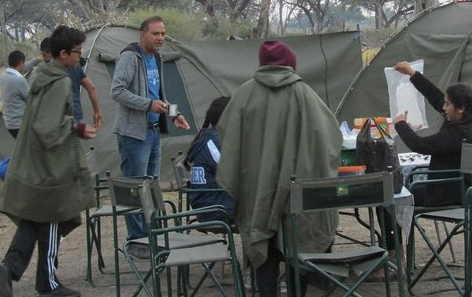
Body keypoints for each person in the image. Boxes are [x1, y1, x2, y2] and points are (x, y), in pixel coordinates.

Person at [216, 40, 342, 297]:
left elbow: (228, 140)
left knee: (263, 245)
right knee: (298, 243)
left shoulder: (243, 95)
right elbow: (330, 139)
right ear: (290, 63)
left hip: (257, 189)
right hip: (298, 191)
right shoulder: (305, 94)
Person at [0, 25, 98, 297]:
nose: (80, 58)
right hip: (50, 166)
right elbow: (48, 126)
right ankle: (48, 284)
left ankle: (10, 267)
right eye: (78, 53)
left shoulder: (41, 74)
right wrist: (77, 128)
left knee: (33, 219)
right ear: (64, 54)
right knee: (54, 218)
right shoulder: (59, 81)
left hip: (34, 162)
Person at [111, 15, 190, 259]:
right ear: (143, 34)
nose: (160, 38)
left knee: (151, 187)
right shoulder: (129, 57)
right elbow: (117, 91)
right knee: (136, 189)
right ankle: (136, 241)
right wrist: (147, 105)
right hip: (133, 134)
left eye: (163, 34)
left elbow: (159, 95)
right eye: (156, 34)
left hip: (154, 132)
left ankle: (152, 236)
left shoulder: (156, 58)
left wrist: (173, 114)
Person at [391, 61, 472, 207]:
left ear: (460, 108)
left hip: (446, 192)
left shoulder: (459, 134)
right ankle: (403, 229)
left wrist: (401, 125)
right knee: (403, 192)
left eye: (447, 104)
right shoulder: (468, 121)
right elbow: (436, 97)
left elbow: (420, 145)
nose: (443, 108)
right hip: (456, 188)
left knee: (395, 198)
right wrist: (413, 74)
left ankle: (393, 231)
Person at [183, 96, 235, 224]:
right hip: (215, 208)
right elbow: (233, 173)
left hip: (210, 202)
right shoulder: (214, 142)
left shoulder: (208, 137)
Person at [29, 37, 103, 126]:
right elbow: (91, 87)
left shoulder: (44, 72)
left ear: (45, 53)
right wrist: (96, 111)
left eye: (43, 55)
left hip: (57, 120)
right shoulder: (75, 65)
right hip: (77, 115)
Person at [0, 51, 29, 139]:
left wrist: (37, 60)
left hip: (9, 123)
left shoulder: (2, 76)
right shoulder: (19, 80)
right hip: (20, 124)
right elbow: (30, 99)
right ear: (21, 63)